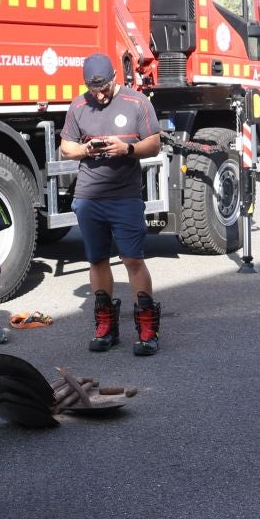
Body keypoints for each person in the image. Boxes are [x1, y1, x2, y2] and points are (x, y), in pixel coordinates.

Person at [58, 53, 163, 355]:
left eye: (104, 88)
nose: (100, 95)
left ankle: (147, 328)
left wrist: (127, 148)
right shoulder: (78, 106)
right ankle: (106, 326)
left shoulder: (137, 103)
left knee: (132, 259)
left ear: (115, 77)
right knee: (97, 260)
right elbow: (66, 148)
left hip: (125, 196)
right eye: (94, 90)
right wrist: (84, 149)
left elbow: (154, 143)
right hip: (89, 197)